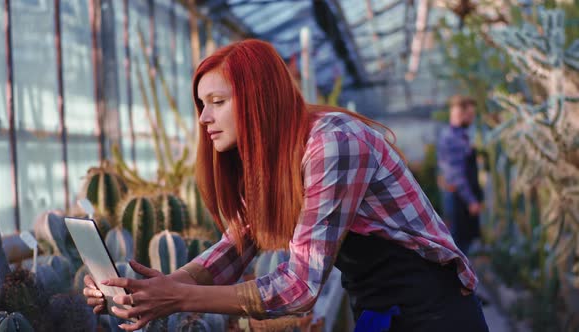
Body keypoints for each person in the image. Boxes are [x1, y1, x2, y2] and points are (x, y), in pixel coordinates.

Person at [83, 40, 488, 331]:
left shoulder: (334, 143)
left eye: (218, 102)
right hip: (379, 311)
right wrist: (152, 289)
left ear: (260, 98)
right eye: (201, 104)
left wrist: (177, 298)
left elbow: (299, 287)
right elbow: (236, 247)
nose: (204, 118)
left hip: (433, 312)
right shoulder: (271, 160)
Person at [437, 96, 484, 256]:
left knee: (462, 245)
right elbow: (456, 174)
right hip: (459, 199)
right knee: (459, 247)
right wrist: (471, 200)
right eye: (470, 115)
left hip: (460, 197)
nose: (472, 118)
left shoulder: (460, 136)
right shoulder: (452, 138)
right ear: (460, 113)